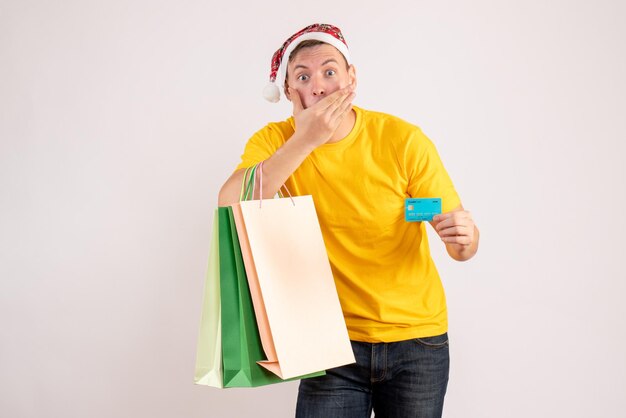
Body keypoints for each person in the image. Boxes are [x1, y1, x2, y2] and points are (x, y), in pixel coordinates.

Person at [218, 23, 479, 418]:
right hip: (328, 345)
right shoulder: (275, 141)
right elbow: (230, 203)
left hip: (417, 340)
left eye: (329, 71)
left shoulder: (402, 139)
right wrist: (306, 139)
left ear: (351, 78)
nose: (318, 86)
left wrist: (465, 238)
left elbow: (462, 247)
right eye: (303, 77)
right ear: (288, 91)